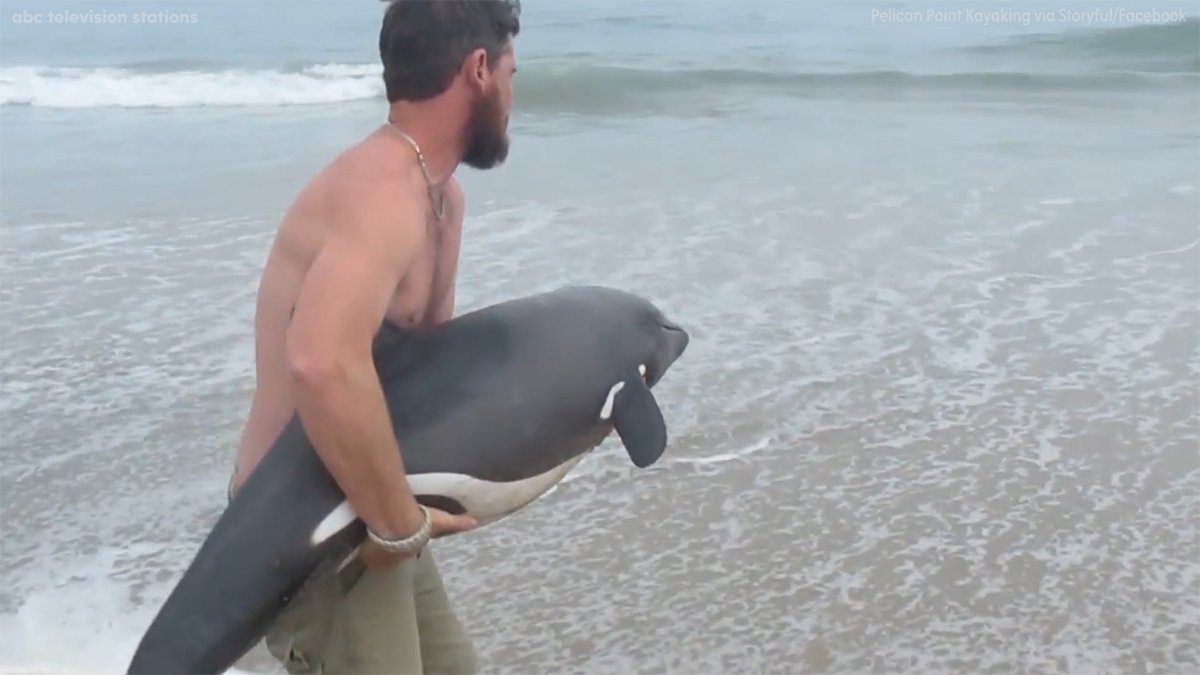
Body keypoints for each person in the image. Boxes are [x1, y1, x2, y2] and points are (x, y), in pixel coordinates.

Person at [226, 0, 521, 672]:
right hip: (305, 524)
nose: (512, 92)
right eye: (511, 71)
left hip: (370, 499)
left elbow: (425, 369)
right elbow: (320, 363)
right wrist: (398, 522)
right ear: (478, 69)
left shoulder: (440, 197)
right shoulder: (379, 194)